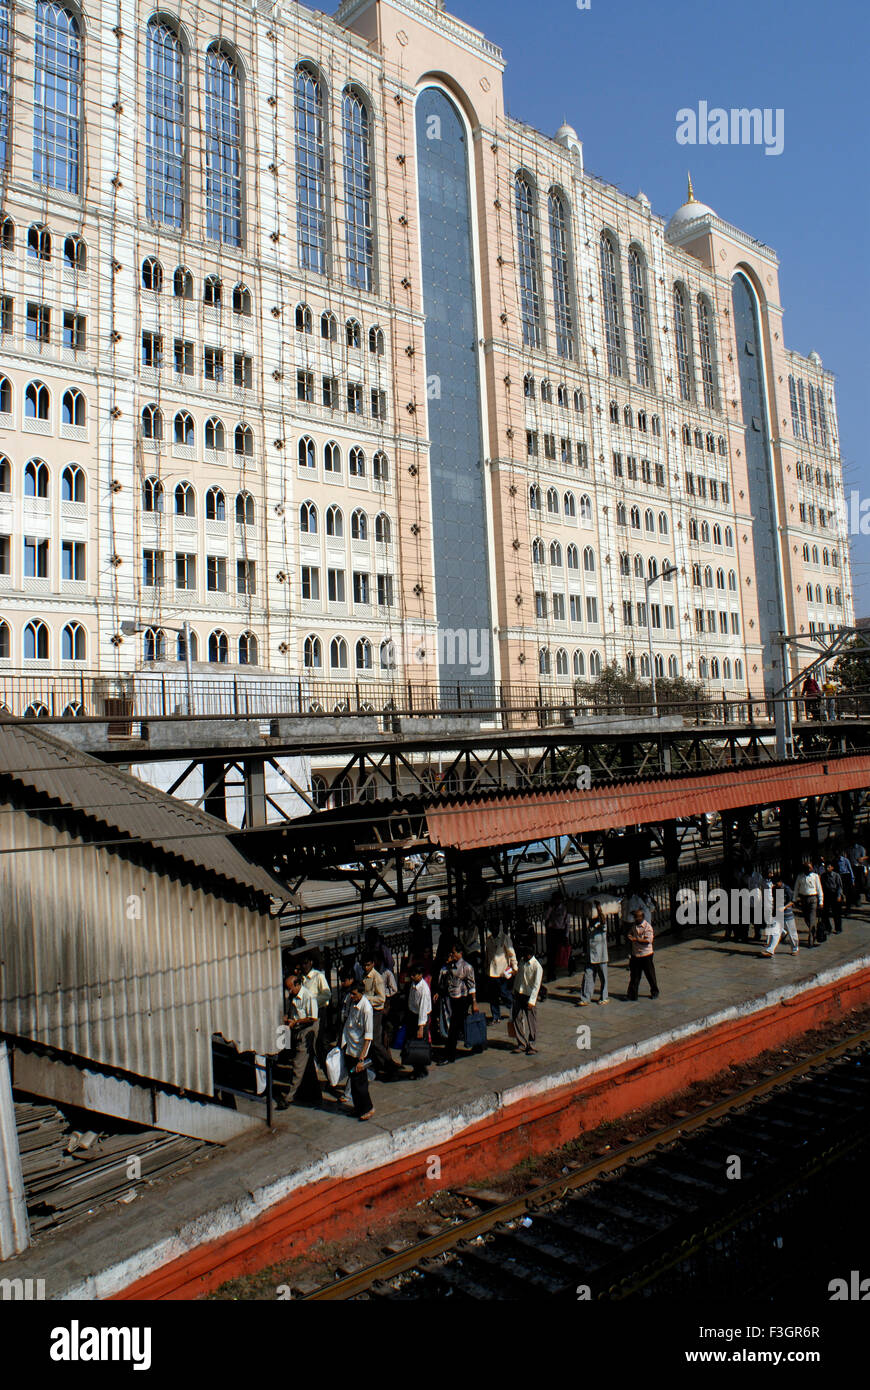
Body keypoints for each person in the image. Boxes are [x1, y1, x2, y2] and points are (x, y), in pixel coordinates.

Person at [275, 974, 321, 1110]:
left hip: (307, 1031)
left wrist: (296, 1022)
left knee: (298, 1064)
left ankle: (289, 1097)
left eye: (290, 988)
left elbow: (312, 1018)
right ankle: (313, 1094)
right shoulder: (292, 997)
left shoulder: (308, 996)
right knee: (307, 1066)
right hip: (296, 1029)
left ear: (297, 984)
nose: (289, 991)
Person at [436, 943, 478, 1064]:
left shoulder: (467, 967)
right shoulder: (450, 966)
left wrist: (474, 1002)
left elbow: (472, 986)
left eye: (454, 953)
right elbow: (443, 978)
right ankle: (476, 1043)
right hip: (452, 998)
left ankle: (450, 1054)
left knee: (453, 1027)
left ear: (460, 953)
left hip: (462, 999)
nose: (452, 955)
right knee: (460, 1024)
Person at [340, 977, 375, 1119]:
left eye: (354, 994)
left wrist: (362, 1058)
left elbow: (368, 1036)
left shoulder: (366, 1009)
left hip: (359, 1051)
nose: (352, 996)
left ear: (361, 993)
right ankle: (358, 1108)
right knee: (353, 1082)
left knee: (360, 1083)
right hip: (350, 1047)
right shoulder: (351, 1003)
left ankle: (367, 1108)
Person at [360, 955, 399, 1077]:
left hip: (376, 1012)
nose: (366, 967)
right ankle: (379, 1065)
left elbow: (381, 998)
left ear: (373, 964)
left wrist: (367, 998)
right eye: (364, 965)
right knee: (369, 1040)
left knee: (376, 1041)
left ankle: (389, 1064)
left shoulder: (377, 978)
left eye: (368, 965)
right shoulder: (364, 976)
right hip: (368, 1011)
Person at [511, 941, 543, 1054]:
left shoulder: (537, 966)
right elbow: (519, 977)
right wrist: (514, 990)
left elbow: (536, 985)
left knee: (531, 1021)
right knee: (517, 1018)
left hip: (529, 997)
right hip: (519, 994)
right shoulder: (522, 962)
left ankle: (532, 1044)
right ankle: (521, 1043)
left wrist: (532, 1001)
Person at [578, 900, 609, 1006]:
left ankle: (604, 996)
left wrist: (599, 909)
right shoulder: (590, 928)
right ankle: (585, 998)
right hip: (590, 956)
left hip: (601, 956)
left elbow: (603, 920)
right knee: (588, 977)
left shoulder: (601, 926)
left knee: (603, 977)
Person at [485, 926, 517, 1024]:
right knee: (493, 995)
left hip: (502, 971)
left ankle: (513, 1007)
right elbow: (487, 954)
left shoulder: (505, 938)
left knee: (504, 993)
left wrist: (514, 966)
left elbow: (511, 953)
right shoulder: (489, 939)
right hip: (491, 971)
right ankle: (496, 1016)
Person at [405, 963, 432, 1079]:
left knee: (419, 1045)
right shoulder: (413, 984)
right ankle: (417, 1068)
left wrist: (421, 1027)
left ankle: (421, 1070)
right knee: (412, 1043)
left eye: (414, 975)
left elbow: (422, 1010)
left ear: (420, 975)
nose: (412, 977)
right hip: (413, 1015)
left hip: (422, 1019)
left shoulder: (424, 990)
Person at [626, 907, 658, 1000]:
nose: (636, 919)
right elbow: (630, 933)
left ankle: (654, 991)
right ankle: (632, 994)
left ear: (642, 917)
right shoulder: (634, 926)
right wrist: (629, 936)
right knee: (635, 976)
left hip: (646, 954)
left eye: (638, 917)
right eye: (635, 917)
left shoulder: (647, 927)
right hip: (636, 954)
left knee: (650, 974)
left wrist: (636, 939)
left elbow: (648, 941)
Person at [762, 876, 799, 956]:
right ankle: (770, 950)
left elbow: (793, 901)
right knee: (774, 932)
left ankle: (795, 948)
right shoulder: (774, 889)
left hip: (787, 914)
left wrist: (785, 907)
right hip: (777, 914)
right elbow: (774, 900)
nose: (775, 885)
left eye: (776, 883)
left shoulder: (787, 889)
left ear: (780, 882)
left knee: (792, 933)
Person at [794, 860, 824, 946]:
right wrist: (794, 899)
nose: (811, 869)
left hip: (813, 898)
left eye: (811, 868)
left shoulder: (815, 876)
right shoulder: (800, 877)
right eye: (809, 868)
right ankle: (813, 930)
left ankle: (811, 938)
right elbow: (796, 888)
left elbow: (819, 889)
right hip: (804, 899)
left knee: (812, 918)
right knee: (806, 918)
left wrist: (821, 901)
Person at [544, 891, 570, 982]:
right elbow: (546, 917)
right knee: (551, 954)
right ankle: (551, 974)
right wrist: (550, 908)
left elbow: (567, 923)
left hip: (561, 932)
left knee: (564, 951)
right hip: (552, 932)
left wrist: (566, 935)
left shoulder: (564, 909)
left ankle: (570, 968)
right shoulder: (551, 908)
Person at [820, 860, 845, 937]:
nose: (827, 868)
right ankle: (828, 928)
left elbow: (839, 887)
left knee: (836, 913)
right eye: (826, 867)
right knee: (825, 913)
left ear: (832, 868)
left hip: (834, 894)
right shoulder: (823, 876)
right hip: (827, 895)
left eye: (829, 867)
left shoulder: (836, 875)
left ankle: (838, 928)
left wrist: (839, 896)